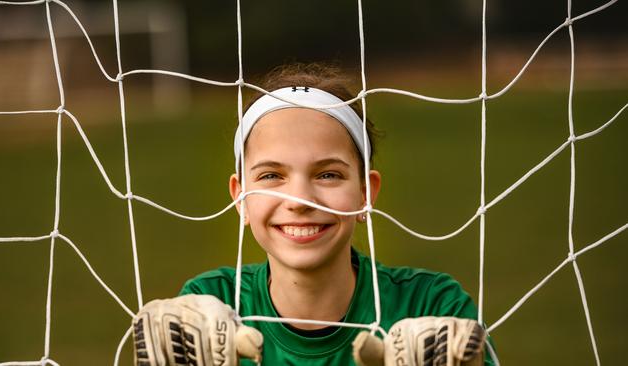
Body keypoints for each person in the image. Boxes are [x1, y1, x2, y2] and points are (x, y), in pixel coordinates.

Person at [132, 63, 495, 366]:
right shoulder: (211, 309)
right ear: (240, 198)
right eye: (272, 176)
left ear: (366, 193)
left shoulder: (430, 306)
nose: (300, 200)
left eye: (328, 175)